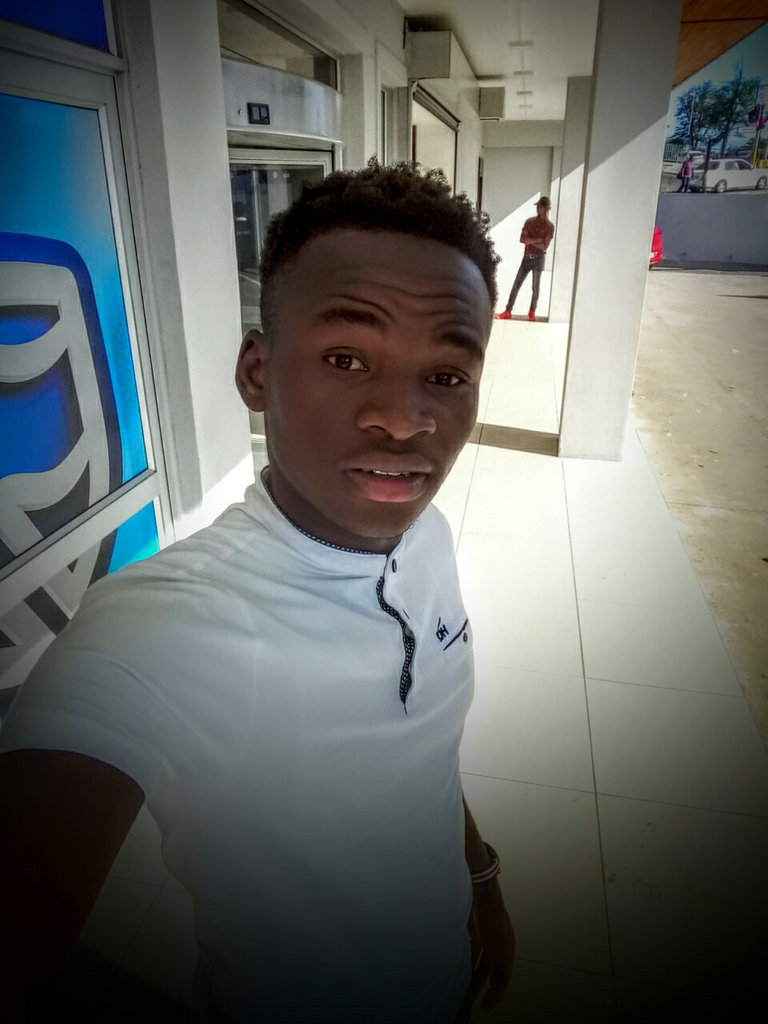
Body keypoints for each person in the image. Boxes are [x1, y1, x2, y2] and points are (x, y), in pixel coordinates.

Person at [0, 161, 515, 1023]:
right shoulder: (156, 633)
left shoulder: (426, 536)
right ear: (256, 371)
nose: (403, 418)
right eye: (347, 358)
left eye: (447, 376)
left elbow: (422, 748)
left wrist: (482, 878)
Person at [495, 196, 554, 322]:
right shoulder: (529, 221)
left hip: (539, 259)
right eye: (538, 206)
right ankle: (508, 311)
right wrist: (538, 240)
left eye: (540, 207)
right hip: (527, 257)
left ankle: (532, 312)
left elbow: (545, 246)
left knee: (535, 287)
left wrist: (530, 241)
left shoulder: (550, 226)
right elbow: (522, 239)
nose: (538, 209)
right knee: (517, 283)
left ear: (546, 209)